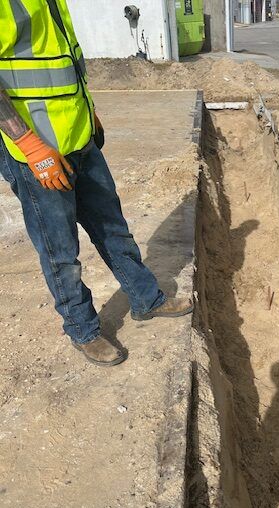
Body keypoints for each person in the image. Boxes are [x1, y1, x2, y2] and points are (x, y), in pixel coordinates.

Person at [0, 0, 192, 367]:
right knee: (61, 252)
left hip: (79, 136)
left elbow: (62, 64)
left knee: (113, 229)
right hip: (37, 151)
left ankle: (146, 298)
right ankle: (82, 328)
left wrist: (89, 111)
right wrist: (27, 143)